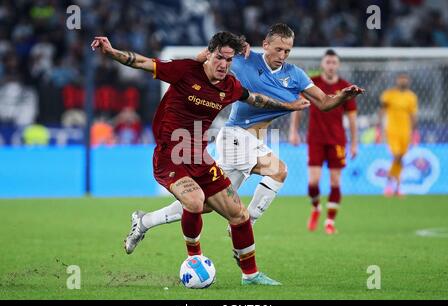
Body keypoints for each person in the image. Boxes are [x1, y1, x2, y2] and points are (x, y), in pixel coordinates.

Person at [124, 24, 365, 257]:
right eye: (278, 49)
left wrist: (343, 97)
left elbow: (324, 103)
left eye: (288, 51)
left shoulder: (295, 76)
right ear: (265, 45)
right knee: (278, 171)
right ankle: (244, 224)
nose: (282, 55)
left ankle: (145, 221)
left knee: (207, 204)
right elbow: (208, 57)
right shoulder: (244, 59)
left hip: (256, 139)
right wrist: (224, 50)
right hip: (235, 135)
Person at [92, 31, 312, 285]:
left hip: (199, 157)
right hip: (170, 155)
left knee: (239, 215)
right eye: (219, 57)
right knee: (195, 201)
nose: (224, 65)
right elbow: (142, 62)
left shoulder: (230, 86)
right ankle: (194, 258)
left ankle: (250, 275)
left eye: (229, 60)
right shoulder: (185, 70)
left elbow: (256, 100)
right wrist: (111, 52)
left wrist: (289, 106)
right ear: (208, 54)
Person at [289, 49, 358, 235]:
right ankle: (316, 207)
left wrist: (354, 143)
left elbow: (352, 118)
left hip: (337, 140)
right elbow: (298, 107)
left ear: (338, 65)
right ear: (322, 64)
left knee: (335, 181)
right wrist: (293, 131)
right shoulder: (313, 83)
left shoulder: (346, 87)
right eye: (328, 62)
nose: (331, 65)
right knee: (313, 181)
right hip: (316, 139)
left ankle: (329, 221)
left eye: (334, 62)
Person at [378, 73, 419, 196]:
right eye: (401, 79)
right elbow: (382, 112)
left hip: (405, 131)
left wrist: (415, 131)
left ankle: (397, 187)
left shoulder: (411, 97)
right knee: (396, 156)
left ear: (409, 81)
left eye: (405, 79)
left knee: (400, 158)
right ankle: (391, 185)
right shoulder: (389, 95)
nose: (403, 81)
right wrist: (379, 128)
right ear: (397, 80)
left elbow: (413, 115)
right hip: (392, 130)